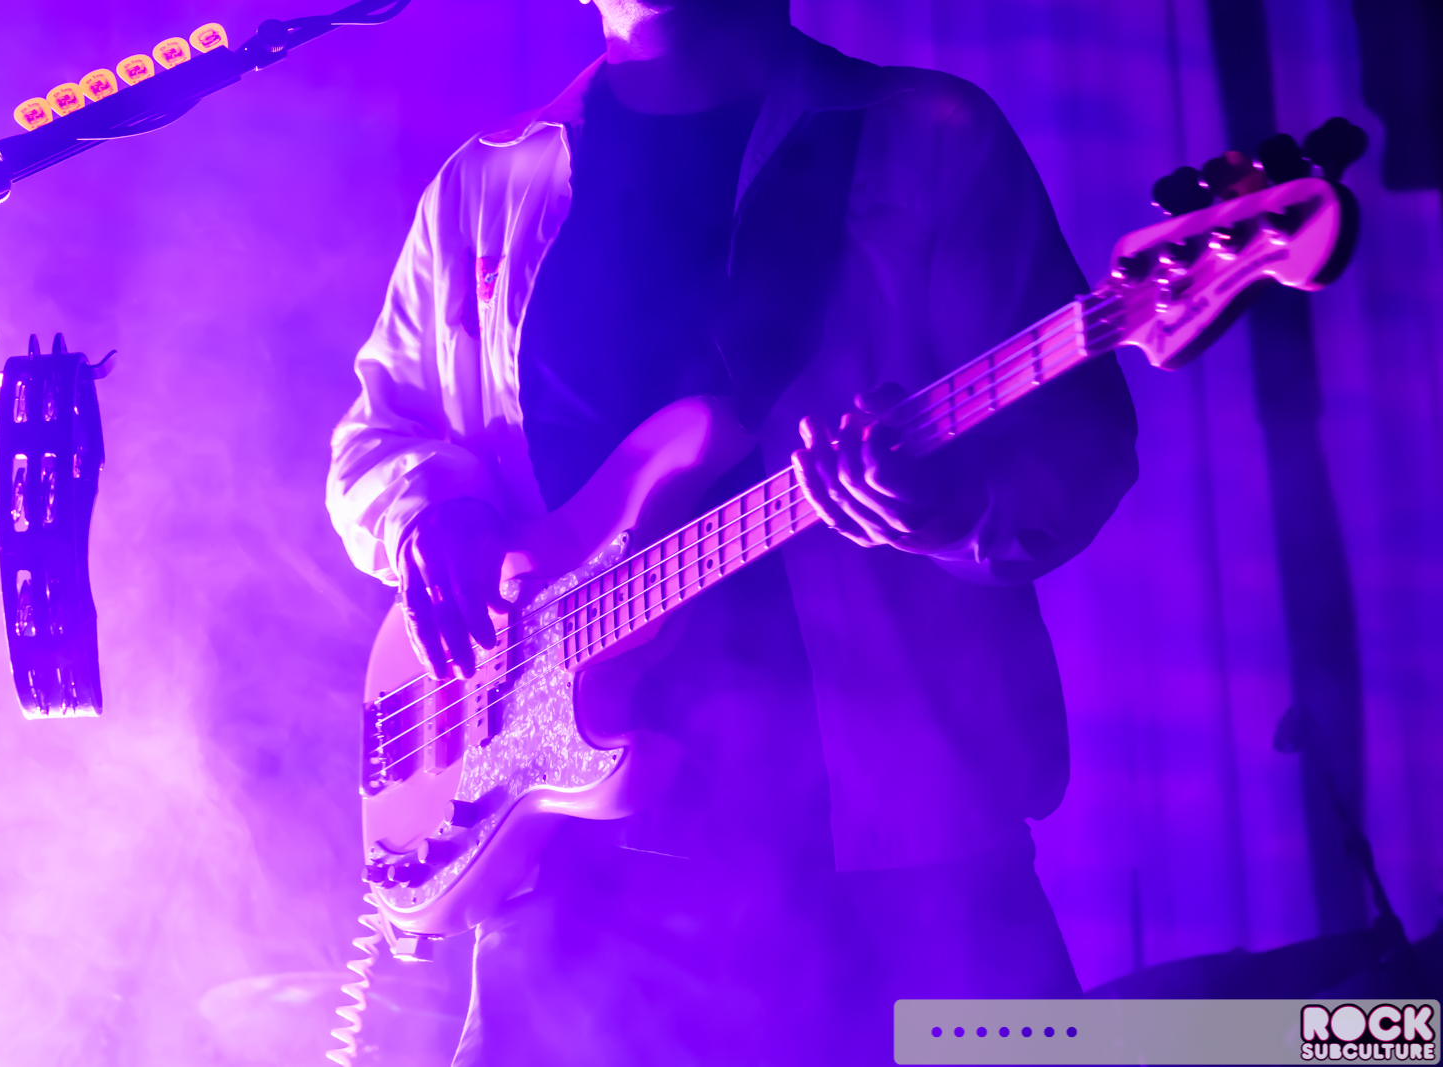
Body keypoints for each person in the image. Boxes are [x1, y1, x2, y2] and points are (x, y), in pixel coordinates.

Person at [327, 0, 1139, 1062]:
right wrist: (432, 514)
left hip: (896, 858)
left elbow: (1079, 440)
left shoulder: (926, 137)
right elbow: (379, 435)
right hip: (574, 883)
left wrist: (950, 507)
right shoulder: (485, 184)